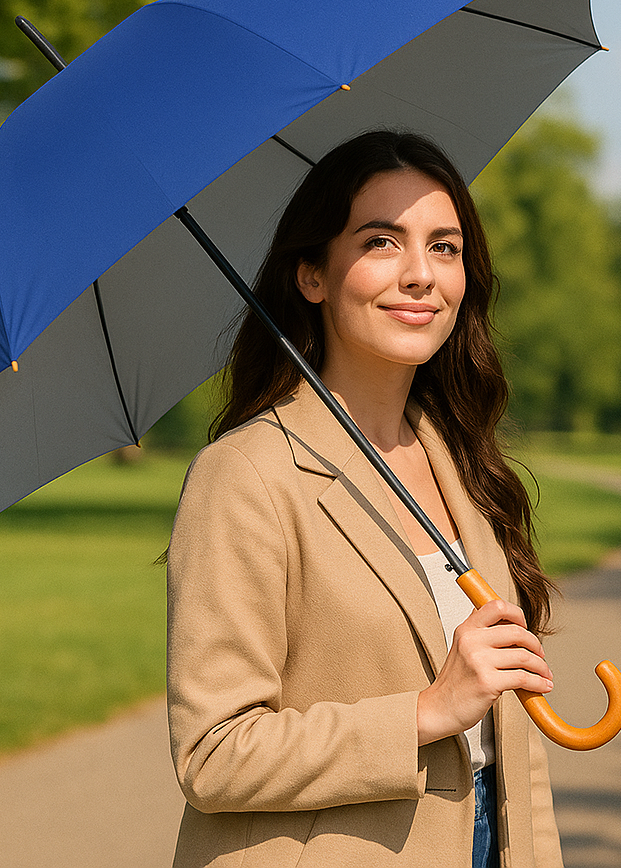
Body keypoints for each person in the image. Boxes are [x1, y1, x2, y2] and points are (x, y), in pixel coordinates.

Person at [166, 131, 563, 868]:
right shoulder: (246, 475)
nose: (421, 275)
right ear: (312, 275)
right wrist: (425, 712)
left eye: (445, 248)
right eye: (382, 243)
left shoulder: (461, 461)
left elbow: (509, 747)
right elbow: (213, 753)